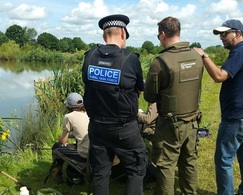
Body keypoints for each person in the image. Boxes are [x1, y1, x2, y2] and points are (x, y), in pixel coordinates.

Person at [82, 14, 147, 195]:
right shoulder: (131, 58)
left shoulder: (89, 56)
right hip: (124, 129)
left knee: (100, 172)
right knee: (136, 168)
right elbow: (140, 88)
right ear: (123, 34)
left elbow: (88, 84)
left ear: (104, 36)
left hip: (97, 126)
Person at [194, 19, 243, 195]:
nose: (222, 38)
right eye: (220, 34)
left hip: (237, 119)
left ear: (238, 33)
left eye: (225, 34)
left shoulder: (239, 52)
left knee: (223, 160)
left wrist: (204, 56)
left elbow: (219, 76)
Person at [144, 16, 204, 195]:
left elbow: (149, 96)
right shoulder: (197, 56)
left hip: (170, 125)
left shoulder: (161, 62)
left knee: (165, 165)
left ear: (162, 34)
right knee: (189, 161)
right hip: (193, 121)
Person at [51, 92, 89, 184]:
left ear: (69, 105)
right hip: (96, 151)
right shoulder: (88, 113)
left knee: (56, 147)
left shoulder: (69, 117)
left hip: (85, 154)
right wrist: (72, 135)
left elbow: (64, 141)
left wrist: (60, 138)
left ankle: (57, 175)